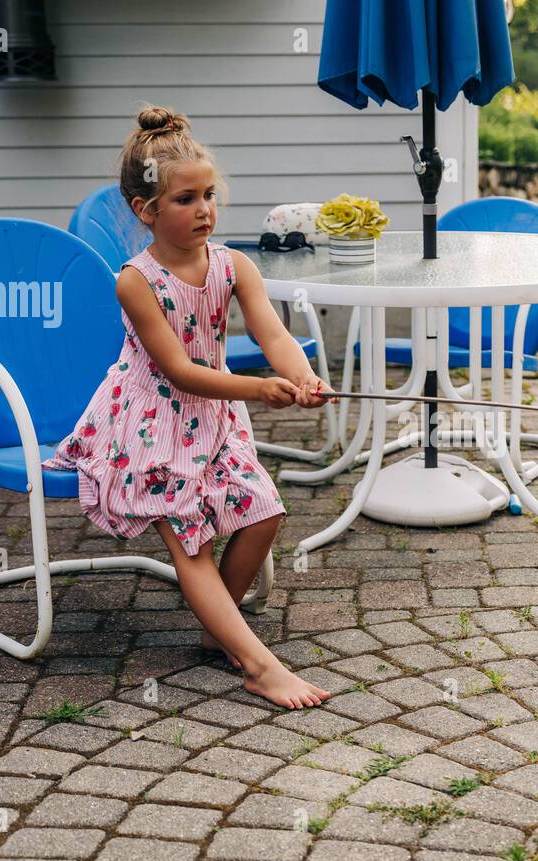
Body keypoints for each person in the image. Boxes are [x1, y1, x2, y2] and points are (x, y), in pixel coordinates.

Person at [42, 105, 335, 709]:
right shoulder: (135, 280)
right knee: (190, 540)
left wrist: (302, 376)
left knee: (263, 514)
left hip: (216, 417)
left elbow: (273, 336)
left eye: (208, 195)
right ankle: (257, 663)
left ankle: (216, 624)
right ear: (144, 210)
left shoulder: (234, 265)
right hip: (149, 424)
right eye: (185, 200)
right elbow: (177, 371)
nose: (204, 210)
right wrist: (258, 389)